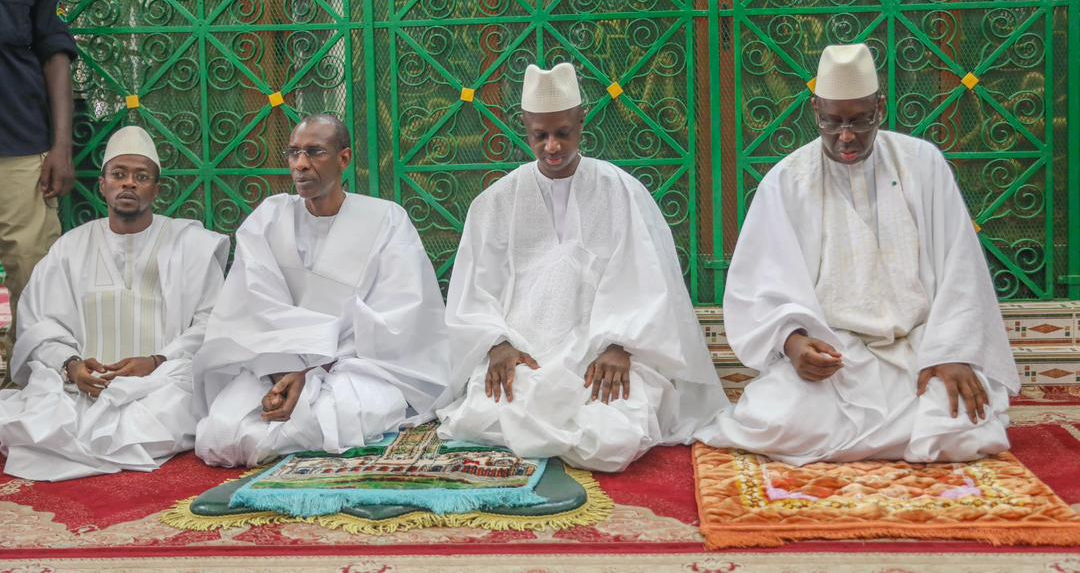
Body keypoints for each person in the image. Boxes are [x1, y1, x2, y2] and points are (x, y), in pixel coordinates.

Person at [696, 43, 1018, 464]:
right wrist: (794, 344)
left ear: (880, 108)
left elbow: (960, 266)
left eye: (858, 121)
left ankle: (889, 427)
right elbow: (759, 287)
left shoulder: (922, 164)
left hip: (921, 351)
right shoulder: (786, 181)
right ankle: (892, 436)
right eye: (832, 122)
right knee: (772, 418)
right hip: (839, 356)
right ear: (815, 111)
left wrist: (952, 352)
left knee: (964, 426)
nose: (845, 136)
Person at [436, 63, 726, 472]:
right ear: (525, 128)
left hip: (601, 356)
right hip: (526, 356)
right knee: (482, 416)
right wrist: (496, 344)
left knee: (614, 440)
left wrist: (620, 345)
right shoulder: (496, 202)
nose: (552, 147)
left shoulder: (620, 190)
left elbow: (648, 281)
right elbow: (473, 291)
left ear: (581, 122)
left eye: (562, 133)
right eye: (540, 135)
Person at [194, 114, 449, 467]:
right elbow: (251, 308)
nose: (301, 164)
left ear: (343, 159)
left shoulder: (386, 220)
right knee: (220, 436)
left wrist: (314, 371)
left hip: (356, 367)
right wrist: (285, 373)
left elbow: (400, 317)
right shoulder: (268, 219)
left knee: (325, 419)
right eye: (294, 153)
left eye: (314, 152)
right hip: (276, 364)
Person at [0, 126, 228, 480]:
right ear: (103, 184)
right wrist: (71, 365)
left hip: (162, 384)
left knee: (172, 413)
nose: (129, 184)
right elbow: (40, 324)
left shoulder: (190, 245)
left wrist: (155, 362)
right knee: (39, 417)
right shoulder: (70, 249)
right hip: (80, 386)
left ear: (157, 188)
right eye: (119, 175)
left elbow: (213, 323)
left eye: (141, 177)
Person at [0, 0, 79, 387]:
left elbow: (55, 55)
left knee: (33, 263)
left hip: (20, 142)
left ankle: (29, 377)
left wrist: (61, 145)